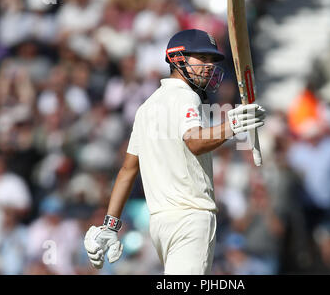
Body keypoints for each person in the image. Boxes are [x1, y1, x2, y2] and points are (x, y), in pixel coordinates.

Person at [83, 29, 266, 274]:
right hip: (191, 217)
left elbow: (128, 169)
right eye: (202, 58)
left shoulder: (146, 108)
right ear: (178, 59)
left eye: (211, 61)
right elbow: (194, 141)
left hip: (160, 223)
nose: (209, 66)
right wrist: (233, 124)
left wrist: (110, 225)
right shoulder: (186, 97)